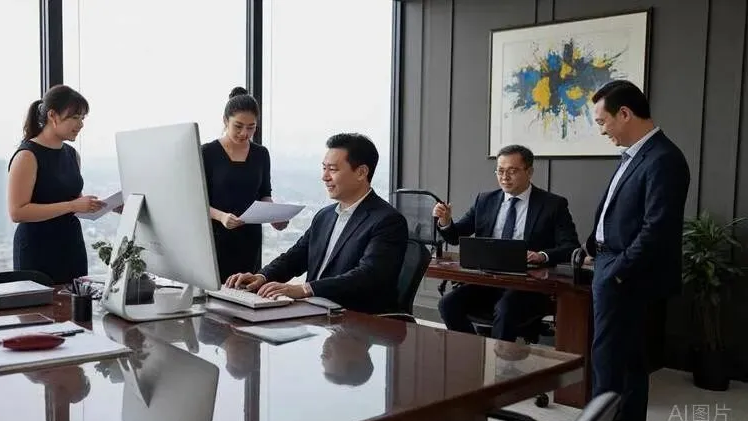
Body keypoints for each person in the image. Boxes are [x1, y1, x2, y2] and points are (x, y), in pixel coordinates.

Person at [586, 80, 689, 421]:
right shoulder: (637, 155)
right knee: (626, 358)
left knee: (610, 359)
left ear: (625, 114)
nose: (602, 130)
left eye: (603, 122)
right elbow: (619, 213)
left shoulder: (664, 159)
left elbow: (657, 228)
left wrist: (617, 271)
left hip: (626, 273)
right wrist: (592, 249)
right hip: (609, 264)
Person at [225, 133, 408, 314]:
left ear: (361, 172)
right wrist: (262, 277)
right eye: (324, 168)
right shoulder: (324, 215)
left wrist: (305, 289)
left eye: (333, 169)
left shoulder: (387, 221)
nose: (325, 177)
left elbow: (368, 276)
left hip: (354, 318)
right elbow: (295, 257)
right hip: (315, 313)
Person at [432, 144, 580, 341]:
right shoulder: (485, 200)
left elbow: (570, 246)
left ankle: (498, 360)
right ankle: (473, 351)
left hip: (529, 285)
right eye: (500, 171)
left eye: (512, 171)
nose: (504, 177)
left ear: (529, 172)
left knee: (505, 309)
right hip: (488, 281)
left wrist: (541, 256)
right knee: (448, 304)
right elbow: (455, 236)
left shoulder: (553, 204)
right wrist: (445, 222)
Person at [8, 85, 105, 285]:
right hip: (37, 248)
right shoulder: (27, 156)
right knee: (41, 303)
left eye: (82, 118)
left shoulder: (72, 155)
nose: (80, 124)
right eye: (74, 117)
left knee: (75, 301)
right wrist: (72, 206)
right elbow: (17, 212)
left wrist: (107, 206)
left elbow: (75, 203)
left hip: (71, 244)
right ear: (52, 116)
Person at [202, 86, 287, 283]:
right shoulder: (207, 152)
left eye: (251, 127)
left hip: (249, 240)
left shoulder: (261, 154)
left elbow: (264, 194)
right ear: (225, 121)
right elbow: (195, 200)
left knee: (245, 290)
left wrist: (275, 216)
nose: (244, 133)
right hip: (215, 238)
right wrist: (222, 216)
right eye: (238, 126)